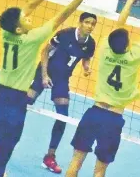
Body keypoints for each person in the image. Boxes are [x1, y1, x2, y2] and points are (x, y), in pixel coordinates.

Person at [0, 0, 96, 177]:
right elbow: (62, 16)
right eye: (26, 20)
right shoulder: (32, 39)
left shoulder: (7, 33)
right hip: (15, 101)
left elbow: (28, 6)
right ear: (20, 28)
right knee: (3, 156)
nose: (30, 19)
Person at [65, 0, 140, 177]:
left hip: (94, 112)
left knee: (75, 162)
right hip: (113, 118)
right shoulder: (134, 56)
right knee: (99, 171)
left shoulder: (105, 49)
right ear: (127, 45)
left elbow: (119, 24)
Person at [27, 12, 97, 174]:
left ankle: (50, 156)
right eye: (87, 22)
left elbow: (86, 57)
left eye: (93, 24)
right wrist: (44, 75)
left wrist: (86, 67)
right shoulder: (64, 34)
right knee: (22, 105)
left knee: (62, 116)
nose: (90, 26)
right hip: (44, 72)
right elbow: (45, 52)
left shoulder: (90, 44)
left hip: (62, 78)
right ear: (80, 23)